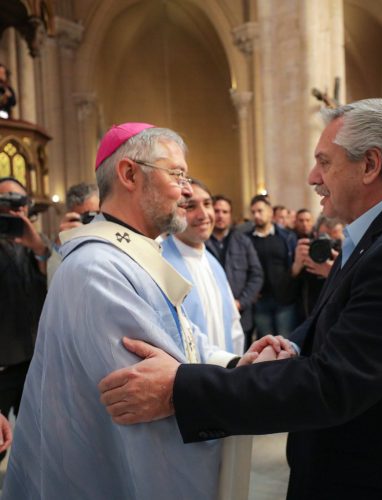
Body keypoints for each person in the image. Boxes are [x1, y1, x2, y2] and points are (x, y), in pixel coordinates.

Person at [99, 99, 382, 500]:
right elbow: (337, 320)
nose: (313, 177)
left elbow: (334, 384)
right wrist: (291, 344)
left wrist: (179, 390)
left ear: (370, 165)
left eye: (324, 162)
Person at [2, 122, 290, 499]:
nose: (187, 190)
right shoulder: (98, 270)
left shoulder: (129, 256)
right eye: (177, 174)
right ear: (129, 174)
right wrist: (231, 390)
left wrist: (236, 366)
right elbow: (151, 403)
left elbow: (183, 341)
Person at [162, 180, 245, 355]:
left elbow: (233, 325)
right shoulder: (160, 263)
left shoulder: (213, 263)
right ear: (173, 212)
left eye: (207, 204)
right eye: (190, 206)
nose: (204, 215)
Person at [0, 176, 49, 464]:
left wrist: (38, 246)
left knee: (37, 443)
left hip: (33, 364)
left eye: (17, 200)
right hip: (2, 366)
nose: (12, 207)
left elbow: (55, 278)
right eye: (4, 200)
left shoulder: (37, 245)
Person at [206, 194, 263, 350]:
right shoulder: (201, 243)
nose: (220, 215)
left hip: (241, 315)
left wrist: (240, 302)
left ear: (230, 215)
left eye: (225, 212)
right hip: (211, 316)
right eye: (216, 211)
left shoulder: (243, 241)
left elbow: (256, 275)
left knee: (242, 358)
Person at [248, 194, 298, 338]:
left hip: (285, 299)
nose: (256, 215)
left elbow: (294, 265)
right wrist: (250, 291)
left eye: (260, 211)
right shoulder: (246, 239)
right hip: (260, 301)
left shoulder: (287, 237)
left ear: (270, 212)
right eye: (253, 212)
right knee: (266, 343)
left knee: (285, 341)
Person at [47, 182, 100, 284]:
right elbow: (53, 286)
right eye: (87, 217)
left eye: (96, 214)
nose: (93, 222)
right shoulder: (66, 244)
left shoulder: (114, 234)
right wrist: (60, 246)